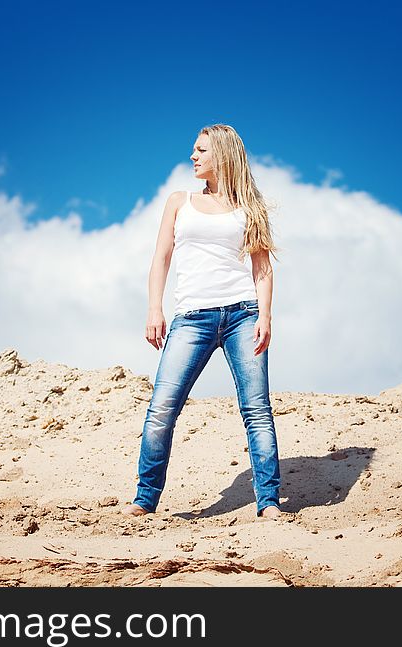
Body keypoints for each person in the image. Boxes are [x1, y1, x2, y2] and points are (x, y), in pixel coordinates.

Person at [122, 124, 282, 520]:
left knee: (256, 409)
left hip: (242, 314)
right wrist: (154, 308)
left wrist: (265, 315)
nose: (193, 156)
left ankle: (269, 503)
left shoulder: (250, 207)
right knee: (162, 407)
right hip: (191, 317)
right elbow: (161, 258)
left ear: (222, 155)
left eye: (201, 150)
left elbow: (262, 266)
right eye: (193, 150)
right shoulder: (180, 201)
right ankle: (145, 500)